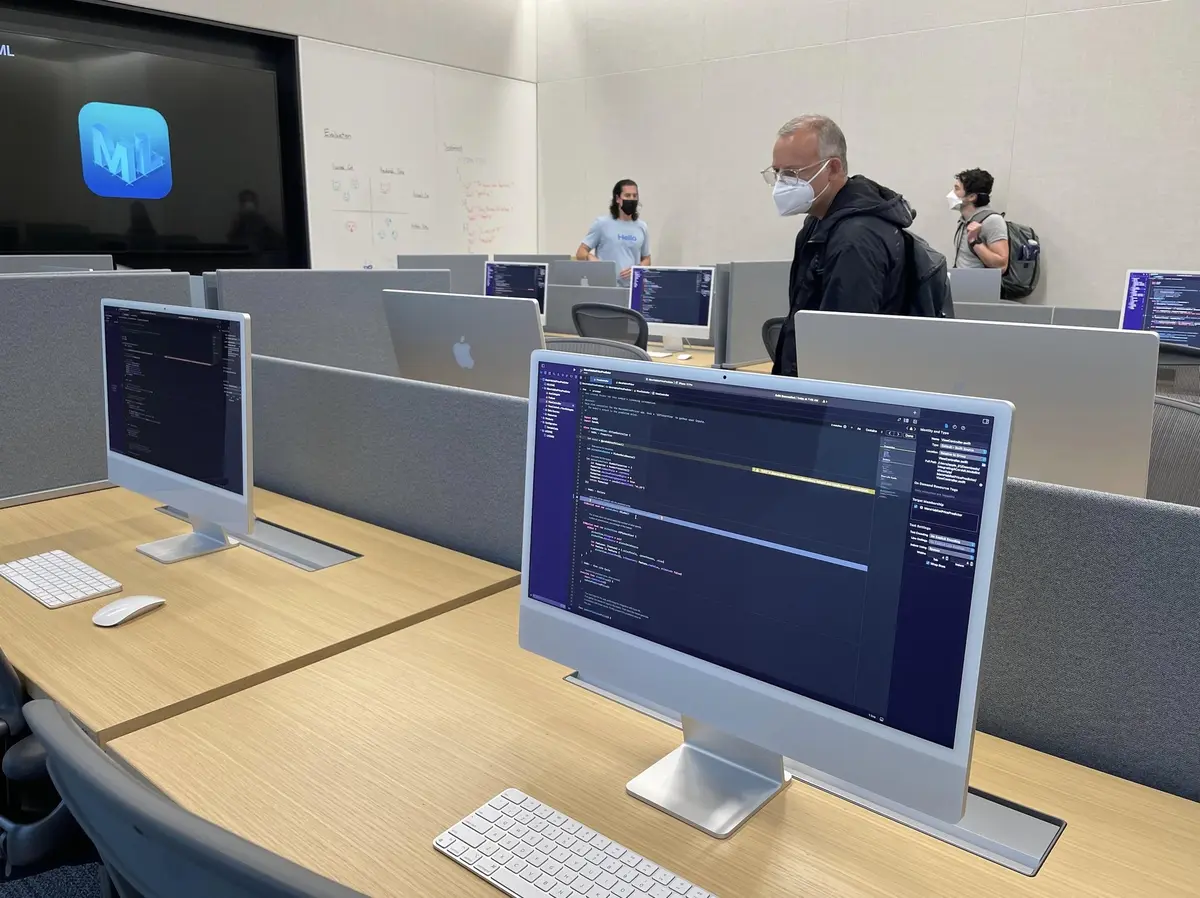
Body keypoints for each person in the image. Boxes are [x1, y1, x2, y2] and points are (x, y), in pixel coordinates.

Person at [764, 114, 914, 376]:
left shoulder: (856, 238)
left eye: (791, 173)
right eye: (777, 173)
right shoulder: (818, 224)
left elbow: (843, 349)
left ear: (832, 168)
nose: (781, 184)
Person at [576, 179, 650, 286]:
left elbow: (647, 259)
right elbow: (580, 252)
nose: (632, 199)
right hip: (607, 287)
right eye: (627, 195)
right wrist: (590, 257)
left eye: (635, 196)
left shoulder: (642, 227)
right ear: (617, 199)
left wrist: (637, 269)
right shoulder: (602, 224)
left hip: (633, 288)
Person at [949, 169, 1009, 271]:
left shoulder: (993, 221)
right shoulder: (964, 220)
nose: (952, 194)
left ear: (972, 197)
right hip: (961, 283)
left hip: (979, 285)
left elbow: (1002, 266)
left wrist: (974, 241)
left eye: (957, 189)